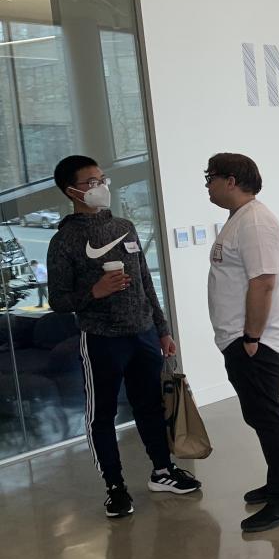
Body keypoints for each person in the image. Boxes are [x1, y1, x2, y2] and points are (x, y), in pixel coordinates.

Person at [47, 154, 200, 518]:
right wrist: (94, 292)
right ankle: (115, 487)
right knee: (102, 415)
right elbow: (58, 300)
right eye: (91, 182)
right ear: (71, 191)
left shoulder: (126, 227)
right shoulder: (64, 240)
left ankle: (162, 471)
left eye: (103, 180)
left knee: (149, 406)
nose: (101, 187)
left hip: (143, 334)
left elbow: (147, 282)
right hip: (101, 339)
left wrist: (162, 330)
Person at [205, 152, 279, 533]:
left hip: (253, 341)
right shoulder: (241, 220)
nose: (208, 186)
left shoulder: (256, 222)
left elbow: (263, 282)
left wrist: (251, 337)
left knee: (265, 415)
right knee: (264, 413)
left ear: (231, 180)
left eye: (210, 178)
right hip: (242, 338)